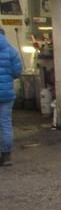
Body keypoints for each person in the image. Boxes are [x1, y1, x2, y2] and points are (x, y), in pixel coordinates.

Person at [0, 27, 23, 167]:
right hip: (7, 94)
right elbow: (17, 72)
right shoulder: (11, 51)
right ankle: (6, 156)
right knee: (5, 124)